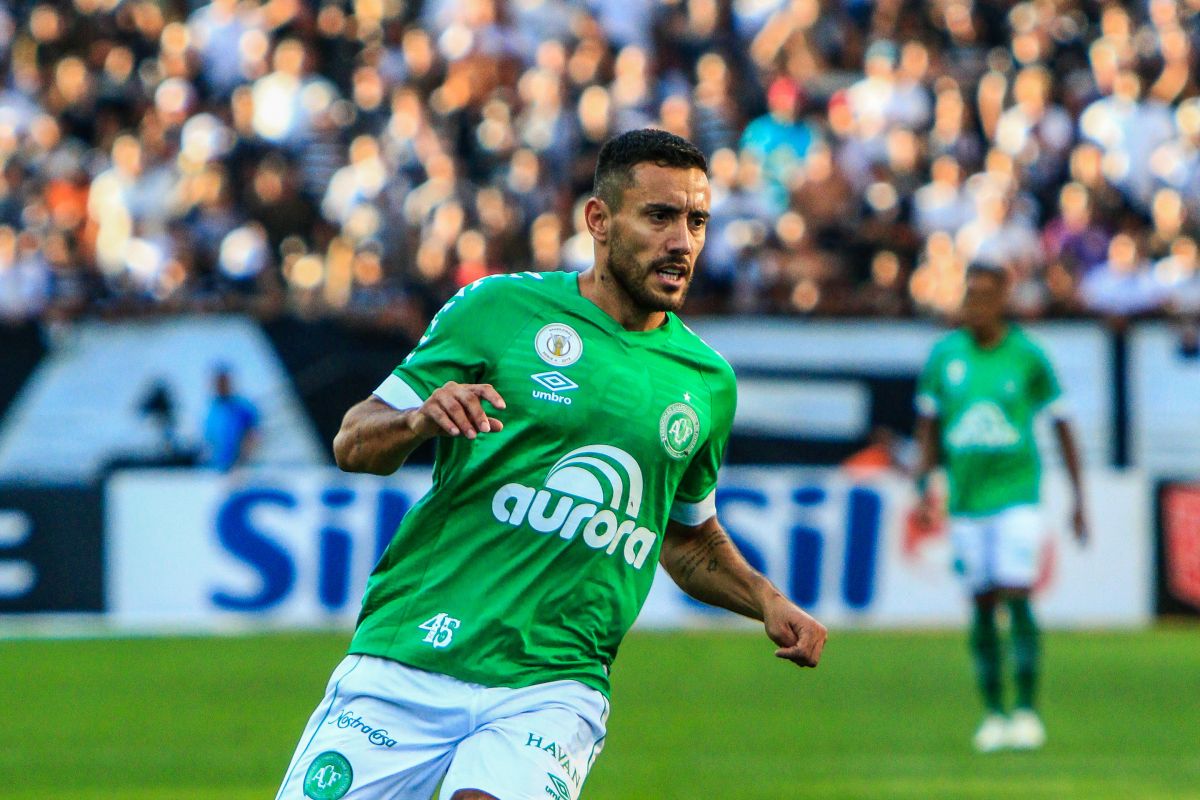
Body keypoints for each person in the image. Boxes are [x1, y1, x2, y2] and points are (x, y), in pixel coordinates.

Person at [274, 129, 827, 800]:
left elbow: (684, 537)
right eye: (659, 216)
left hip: (554, 684)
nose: (683, 241)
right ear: (599, 220)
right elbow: (353, 443)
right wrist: (419, 419)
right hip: (412, 654)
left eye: (697, 220)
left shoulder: (707, 382)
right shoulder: (498, 310)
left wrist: (766, 600)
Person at [913, 264, 1087, 753]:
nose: (976, 305)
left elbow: (1063, 424)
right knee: (982, 602)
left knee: (1016, 592)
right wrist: (924, 486)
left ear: (1004, 300)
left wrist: (1078, 498)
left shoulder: (1028, 356)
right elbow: (927, 426)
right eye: (971, 294)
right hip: (966, 501)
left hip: (1016, 495)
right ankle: (993, 713)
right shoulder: (944, 356)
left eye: (986, 296)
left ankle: (1027, 710)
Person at [202, 364, 259, 472]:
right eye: (218, 382)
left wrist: (242, 463)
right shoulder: (211, 410)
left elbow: (253, 436)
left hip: (241, 469)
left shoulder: (244, 407)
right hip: (216, 469)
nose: (220, 386)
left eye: (223, 382)